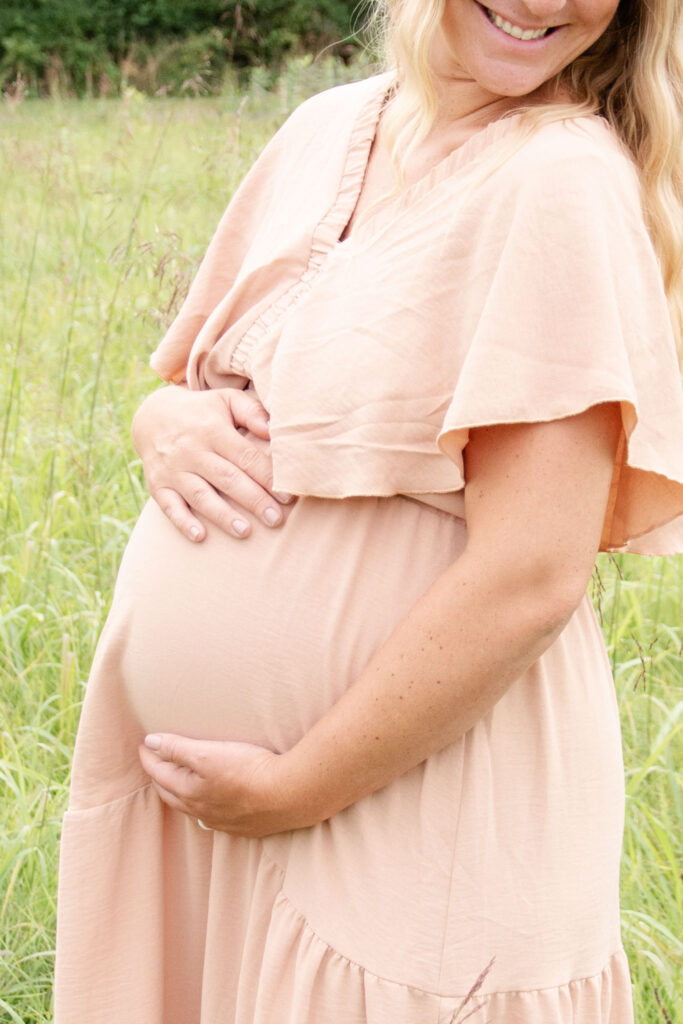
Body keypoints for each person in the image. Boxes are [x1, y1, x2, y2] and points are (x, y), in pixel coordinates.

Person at [54, 0, 683, 1020]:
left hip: (408, 822)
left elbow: (530, 575)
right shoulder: (325, 129)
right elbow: (214, 383)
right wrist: (155, 418)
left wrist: (295, 787)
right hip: (220, 840)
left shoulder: (559, 179)